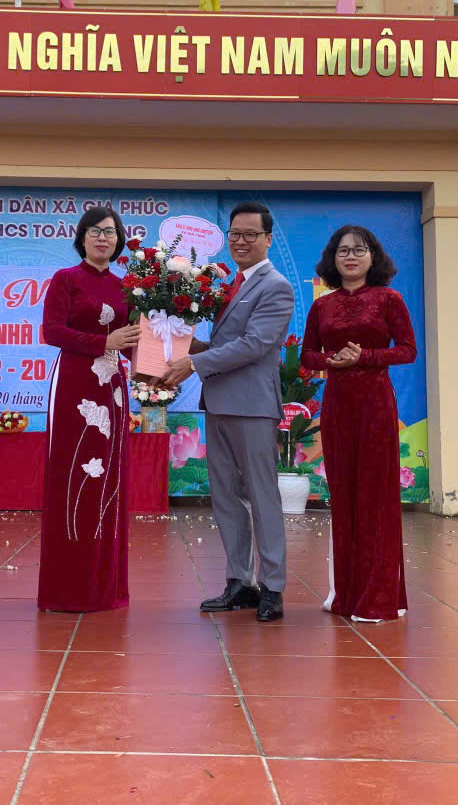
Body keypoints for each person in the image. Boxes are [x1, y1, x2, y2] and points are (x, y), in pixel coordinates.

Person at [160, 202, 295, 622]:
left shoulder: (276, 286)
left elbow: (255, 344)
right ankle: (240, 582)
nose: (241, 241)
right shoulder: (229, 284)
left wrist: (194, 363)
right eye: (235, 234)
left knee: (261, 495)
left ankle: (272, 587)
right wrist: (181, 344)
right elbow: (225, 345)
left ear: (268, 239)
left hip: (252, 406)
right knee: (226, 497)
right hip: (218, 402)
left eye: (250, 234)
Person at [300, 226, 416, 623]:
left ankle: (378, 598)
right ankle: (346, 594)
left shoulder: (389, 299)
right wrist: (331, 361)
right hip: (337, 406)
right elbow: (308, 355)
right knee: (344, 495)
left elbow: (408, 351)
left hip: (375, 404)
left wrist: (364, 357)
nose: (350, 257)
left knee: (376, 496)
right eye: (343, 251)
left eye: (359, 250)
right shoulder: (323, 306)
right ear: (332, 259)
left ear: (373, 257)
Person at [37, 206, 141, 612]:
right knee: (71, 473)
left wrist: (156, 364)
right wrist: (103, 343)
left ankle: (104, 585)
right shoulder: (66, 279)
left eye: (110, 232)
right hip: (74, 383)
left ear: (119, 241)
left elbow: (132, 342)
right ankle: (66, 588)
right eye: (95, 231)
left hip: (113, 386)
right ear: (81, 238)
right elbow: (52, 331)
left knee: (109, 477)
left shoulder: (126, 287)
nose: (102, 237)